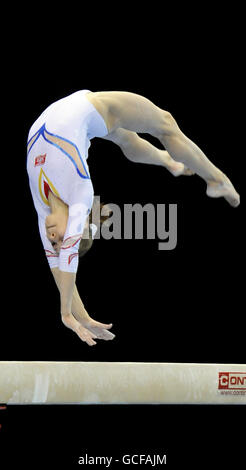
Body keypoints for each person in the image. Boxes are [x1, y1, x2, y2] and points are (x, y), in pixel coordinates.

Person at [27, 89, 240, 346]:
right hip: (93, 108)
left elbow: (60, 268)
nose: (51, 237)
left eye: (53, 243)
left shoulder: (42, 209)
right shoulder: (81, 194)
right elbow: (67, 259)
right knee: (163, 125)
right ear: (80, 224)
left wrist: (77, 317)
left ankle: (172, 163)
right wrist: (71, 316)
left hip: (76, 117)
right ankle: (215, 180)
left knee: (134, 137)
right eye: (59, 239)